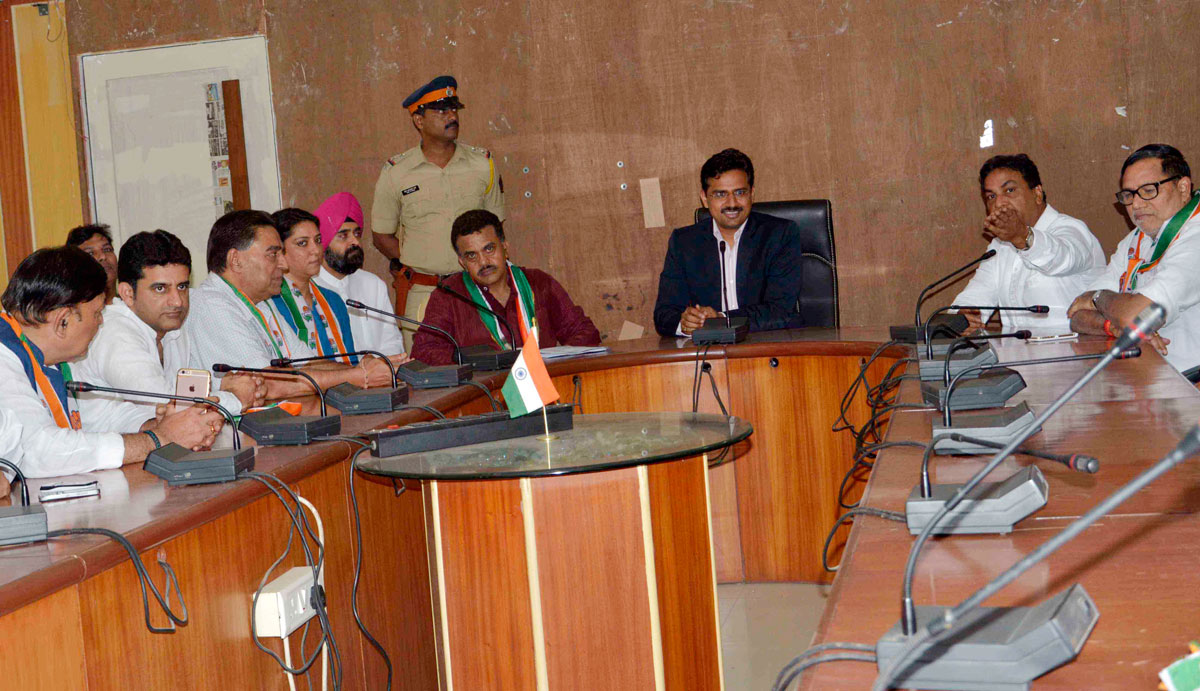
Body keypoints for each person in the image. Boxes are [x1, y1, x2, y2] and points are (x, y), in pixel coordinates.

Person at [0, 245, 222, 482]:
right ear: (62, 321)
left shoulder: (47, 356)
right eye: (96, 313)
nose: (100, 323)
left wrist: (157, 426)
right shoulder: (4, 357)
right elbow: (38, 451)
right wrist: (158, 440)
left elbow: (97, 415)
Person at [186, 210, 394, 399]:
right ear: (236, 260)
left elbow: (307, 362)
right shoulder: (211, 305)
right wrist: (357, 376)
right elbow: (269, 384)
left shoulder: (260, 302)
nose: (283, 264)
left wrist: (361, 368)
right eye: (273, 254)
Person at [370, 75, 505, 347]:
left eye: (453, 108)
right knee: (428, 374)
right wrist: (416, 261)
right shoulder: (397, 172)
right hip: (424, 292)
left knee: (489, 366)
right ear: (418, 120)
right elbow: (381, 235)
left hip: (477, 290)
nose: (451, 116)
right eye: (441, 110)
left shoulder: (483, 164)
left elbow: (496, 231)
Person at [75, 230, 266, 421]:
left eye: (182, 287)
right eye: (160, 289)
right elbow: (169, 408)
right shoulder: (113, 332)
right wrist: (235, 398)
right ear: (127, 294)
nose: (177, 302)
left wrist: (231, 387)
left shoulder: (172, 326)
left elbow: (182, 396)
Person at [1067, 144, 1200, 375]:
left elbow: (1135, 315)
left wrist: (1098, 297)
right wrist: (1113, 326)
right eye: (1128, 195)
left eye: (1148, 190)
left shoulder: (1195, 237)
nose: (1136, 204)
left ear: (1183, 187)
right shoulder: (1136, 238)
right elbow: (1077, 316)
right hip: (1150, 378)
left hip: (1191, 385)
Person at [411, 210, 600, 365]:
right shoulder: (448, 295)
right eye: (471, 256)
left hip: (546, 387)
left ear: (505, 247)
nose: (483, 262)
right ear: (462, 262)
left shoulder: (539, 283)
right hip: (483, 396)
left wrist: (555, 359)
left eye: (489, 249)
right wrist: (473, 361)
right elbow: (424, 351)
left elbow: (585, 333)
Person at [654, 148, 805, 337]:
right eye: (720, 194)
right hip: (711, 352)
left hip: (768, 346)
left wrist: (722, 319)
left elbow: (780, 310)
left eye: (740, 192)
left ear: (752, 193)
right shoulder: (684, 242)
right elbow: (664, 315)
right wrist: (686, 322)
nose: (732, 203)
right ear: (704, 198)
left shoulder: (779, 235)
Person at [951, 154, 1106, 332]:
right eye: (991, 196)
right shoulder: (1000, 246)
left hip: (1077, 353)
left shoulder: (1072, 230)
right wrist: (964, 318)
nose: (999, 203)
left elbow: (1064, 258)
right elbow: (978, 294)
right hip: (1016, 355)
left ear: (1037, 193)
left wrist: (1021, 236)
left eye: (1009, 191)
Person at [271, 207, 409, 370]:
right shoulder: (272, 304)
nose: (315, 251)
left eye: (318, 240)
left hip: (345, 392)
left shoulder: (333, 300)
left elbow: (349, 363)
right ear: (279, 251)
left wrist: (367, 365)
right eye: (302, 243)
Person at [311, 192, 407, 357]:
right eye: (343, 236)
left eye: (356, 234)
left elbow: (392, 342)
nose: (355, 242)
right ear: (324, 243)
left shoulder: (373, 284)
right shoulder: (309, 289)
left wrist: (379, 365)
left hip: (381, 378)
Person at [67, 223, 118, 302]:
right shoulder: (74, 313)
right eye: (90, 253)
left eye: (107, 249)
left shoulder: (135, 307)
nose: (103, 257)